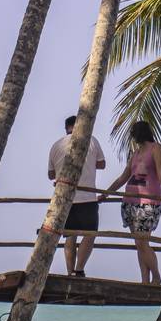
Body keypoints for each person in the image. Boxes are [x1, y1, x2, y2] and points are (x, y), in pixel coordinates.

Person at [102, 121, 161, 284]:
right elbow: (123, 177)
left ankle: (156, 276)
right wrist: (106, 193)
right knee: (139, 243)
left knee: (142, 242)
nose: (132, 137)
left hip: (148, 201)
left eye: (133, 134)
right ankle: (144, 280)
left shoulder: (156, 149)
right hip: (130, 201)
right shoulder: (135, 153)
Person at [48, 114, 106, 279]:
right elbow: (102, 164)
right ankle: (79, 270)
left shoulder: (56, 145)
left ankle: (69, 271)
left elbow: (51, 175)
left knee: (70, 235)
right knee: (90, 233)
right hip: (87, 196)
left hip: (65, 198)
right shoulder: (92, 140)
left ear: (66, 128)